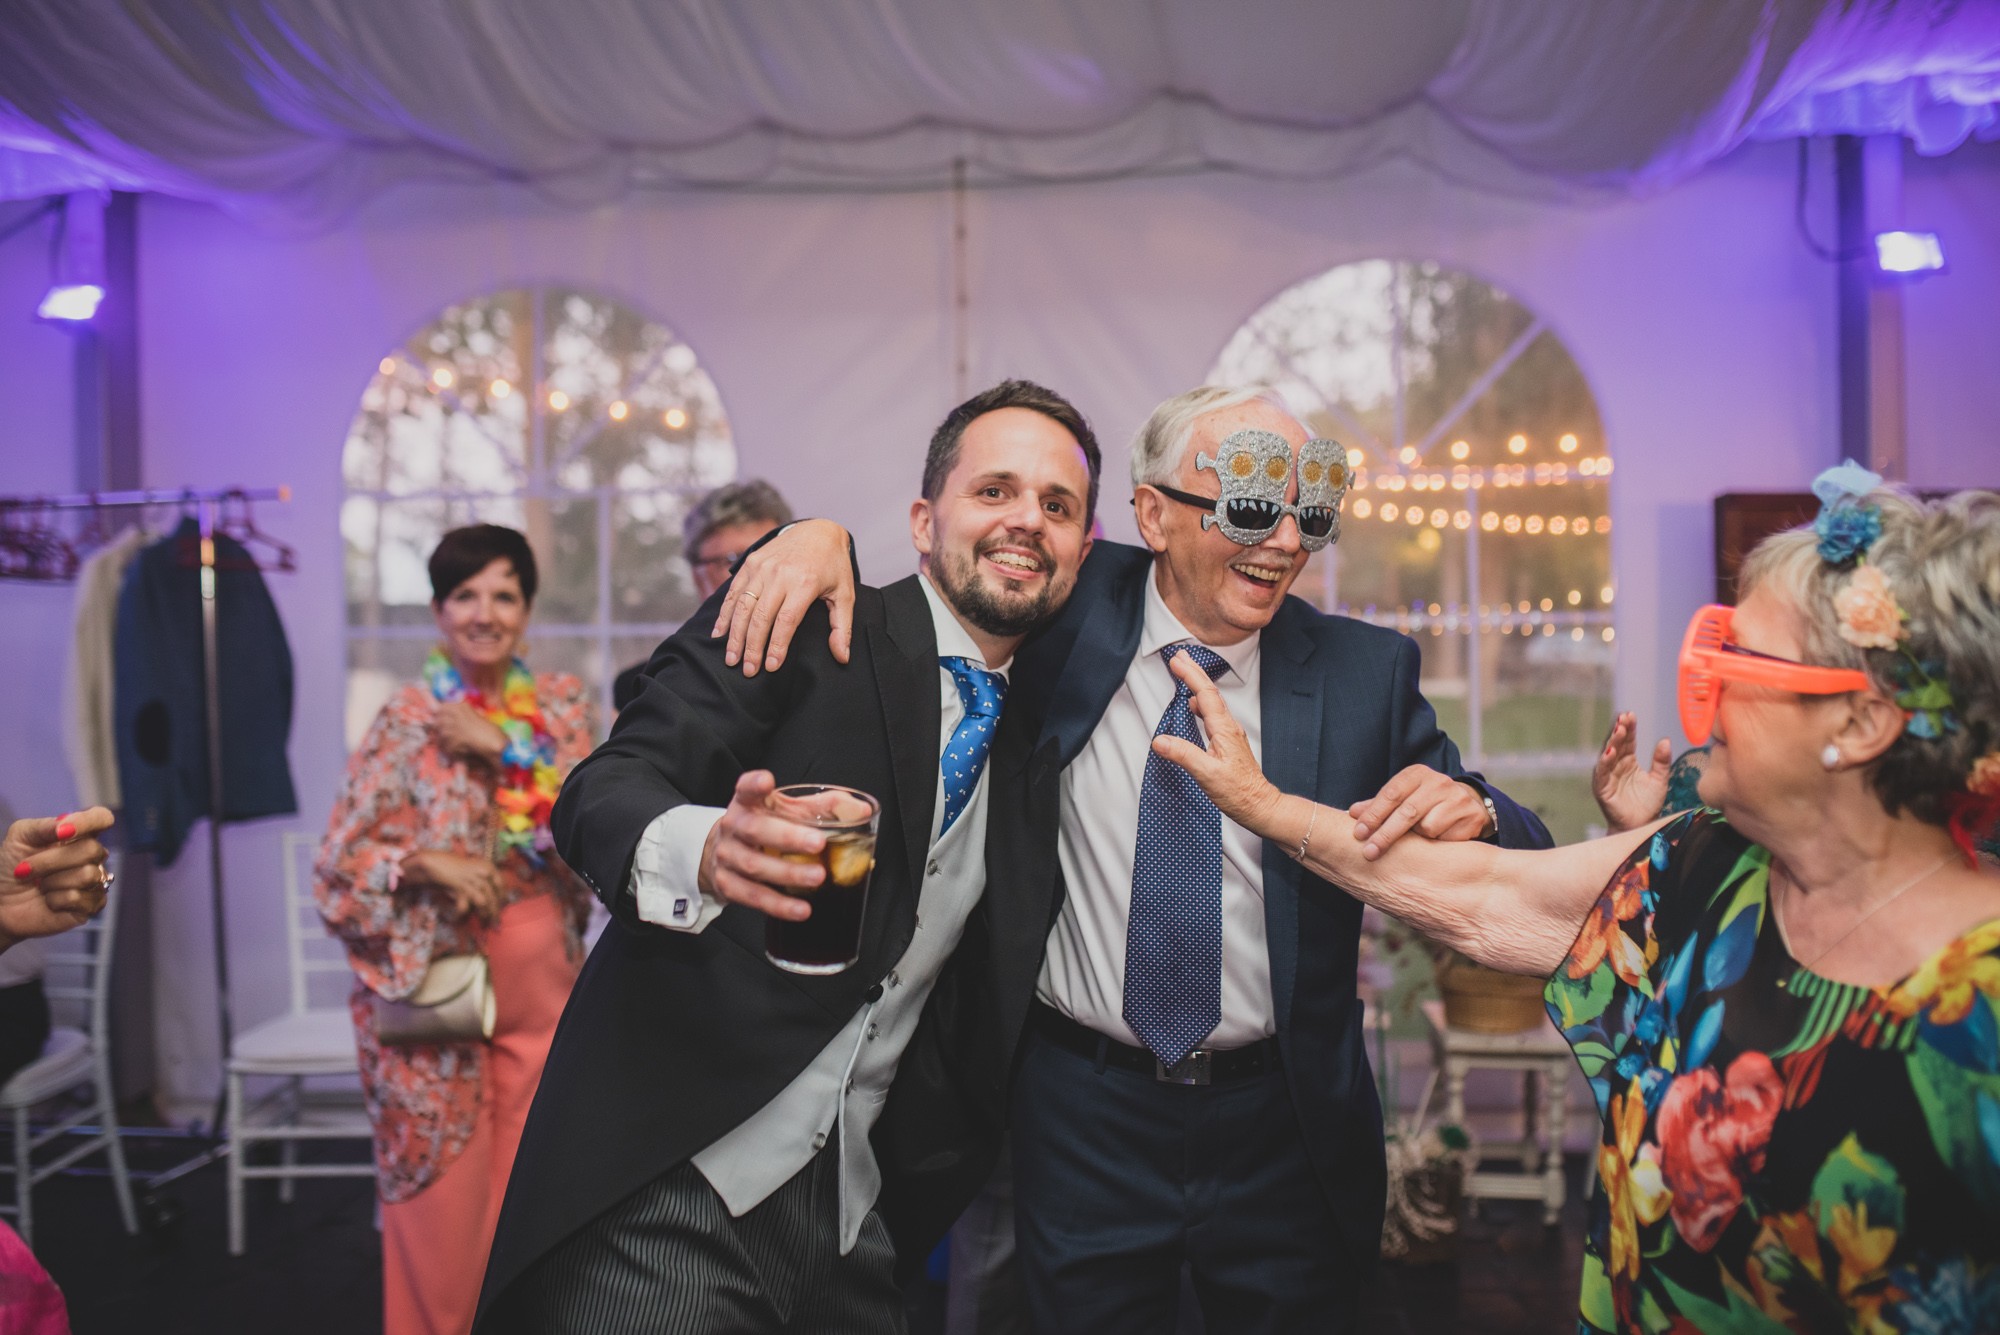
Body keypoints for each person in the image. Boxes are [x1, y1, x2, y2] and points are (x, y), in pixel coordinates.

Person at [723, 385, 1554, 1331]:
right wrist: (816, 535)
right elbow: (950, 567)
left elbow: (1531, 855)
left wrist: (1480, 808)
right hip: (1083, 1113)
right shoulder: (1064, 610)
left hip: (1280, 1121)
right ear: (1153, 515)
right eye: (1248, 507)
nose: (1282, 542)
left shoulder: (1363, 674)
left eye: (1305, 515)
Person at [1154, 474, 2000, 1333]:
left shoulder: (1984, 1004)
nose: (1702, 680)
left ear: (1861, 723)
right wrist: (1263, 804)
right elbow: (1482, 892)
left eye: (1737, 659)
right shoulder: (1699, 860)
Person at [475, 380, 1102, 1333]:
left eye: (1057, 506)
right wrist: (707, 850)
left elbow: (1194, 559)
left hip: (853, 1236)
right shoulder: (806, 620)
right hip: (668, 1184)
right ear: (924, 521)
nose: (1026, 520)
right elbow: (603, 788)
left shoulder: (1039, 744)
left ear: (1085, 550)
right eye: (995, 491)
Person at [314, 525, 597, 1335]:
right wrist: (425, 863)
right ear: (437, 611)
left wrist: (508, 746)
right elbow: (337, 868)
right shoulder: (406, 720)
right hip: (431, 993)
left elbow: (591, 826)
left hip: (544, 988)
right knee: (438, 1212)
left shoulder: (562, 708)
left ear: (527, 609)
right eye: (464, 594)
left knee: (532, 1205)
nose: (484, 612)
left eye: (503, 593)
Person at [611, 479, 794, 710]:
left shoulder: (828, 666)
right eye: (734, 560)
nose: (755, 570)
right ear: (698, 577)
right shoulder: (652, 687)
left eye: (767, 554)